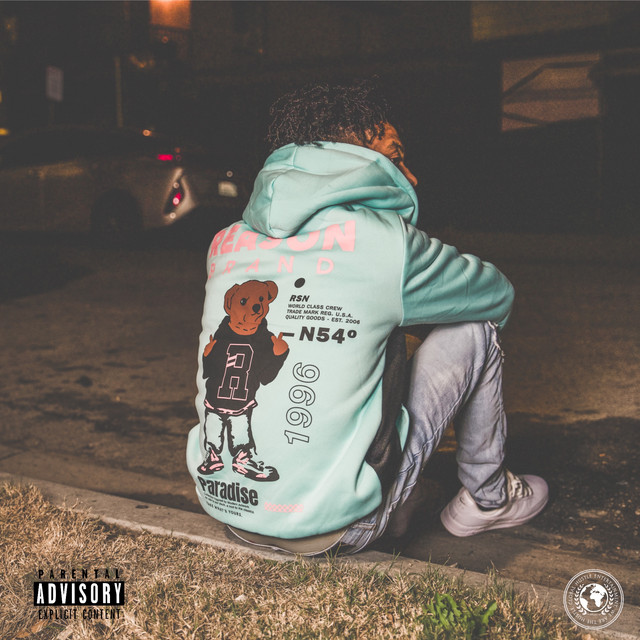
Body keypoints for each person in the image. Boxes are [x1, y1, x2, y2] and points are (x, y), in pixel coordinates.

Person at [186, 81, 548, 555]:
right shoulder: (385, 242)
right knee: (472, 327)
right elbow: (496, 295)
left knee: (366, 335)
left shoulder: (228, 240)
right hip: (338, 529)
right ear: (356, 161)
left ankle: (400, 500)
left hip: (234, 512)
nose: (410, 176)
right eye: (395, 157)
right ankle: (488, 498)